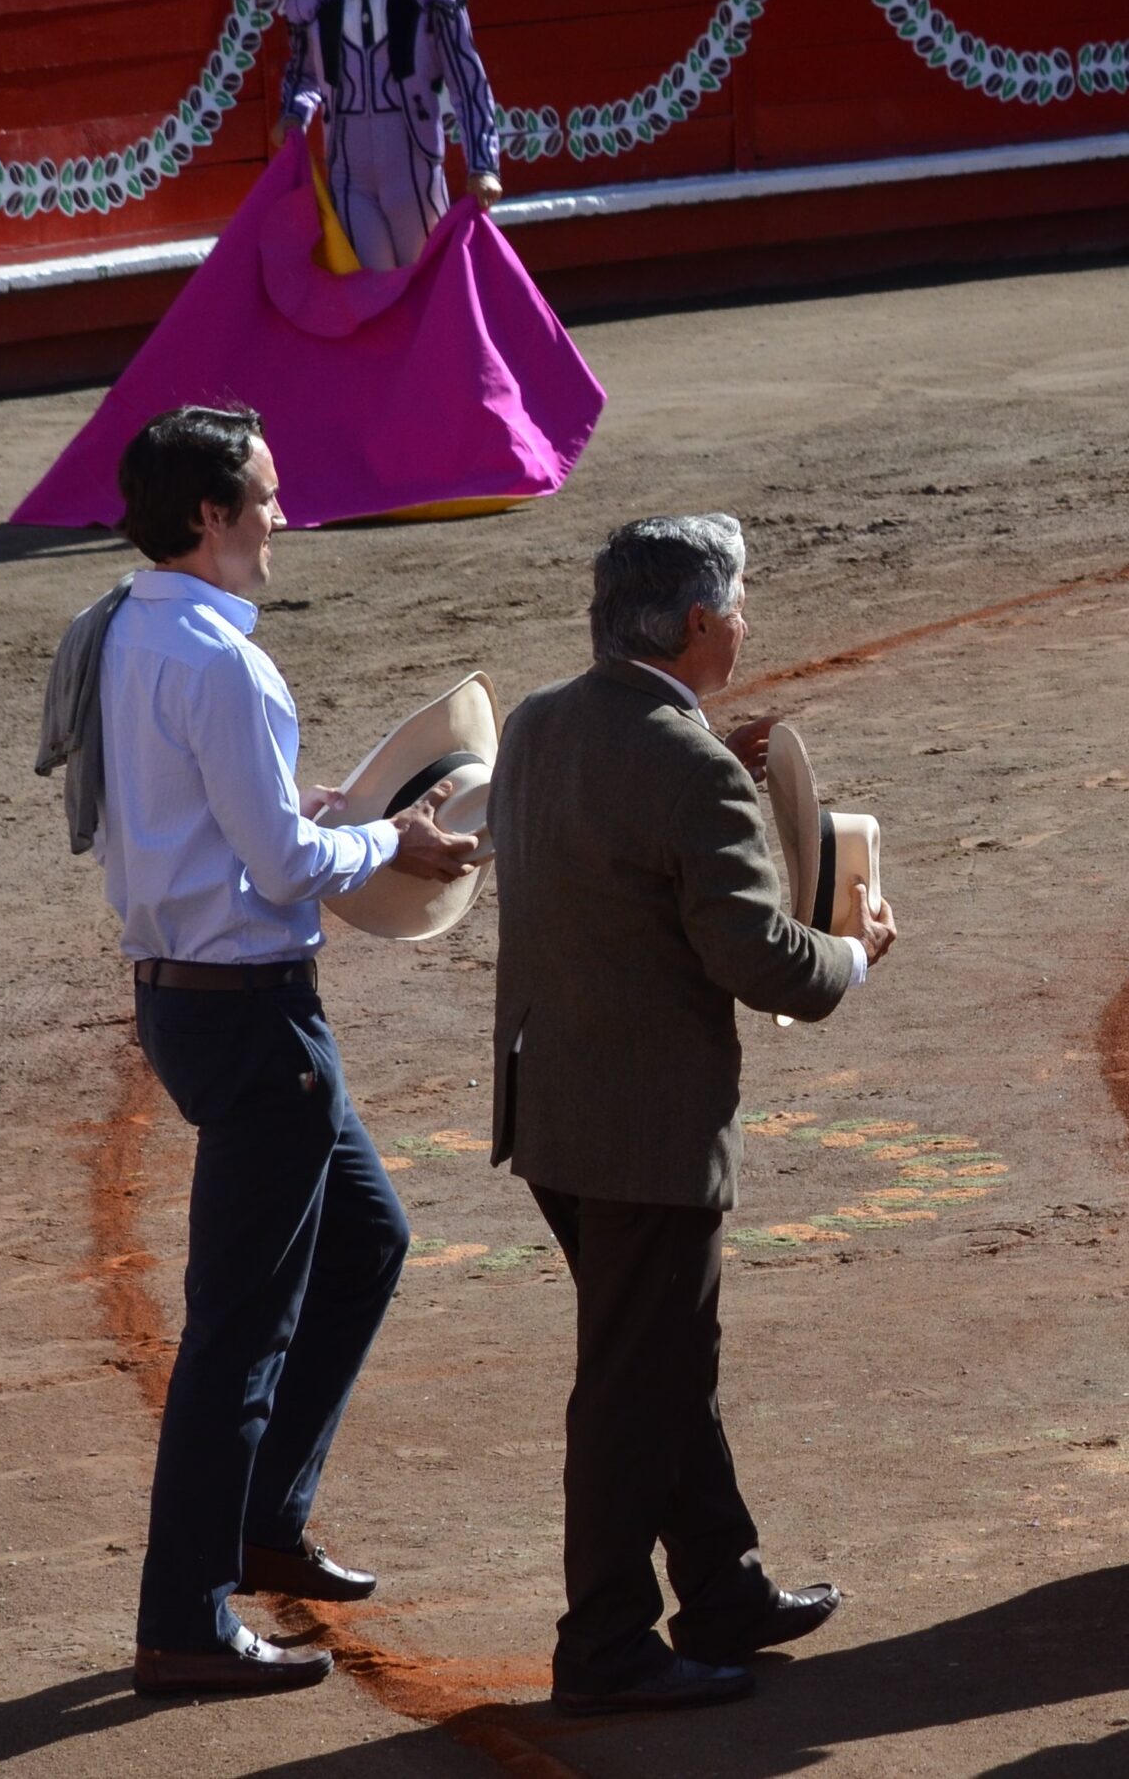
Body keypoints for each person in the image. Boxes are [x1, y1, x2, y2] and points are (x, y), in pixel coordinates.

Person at [79, 404, 480, 1696]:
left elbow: (204, 814)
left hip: (187, 998)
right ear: (210, 514)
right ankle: (183, 1616)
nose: (282, 515)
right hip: (255, 1016)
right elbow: (288, 865)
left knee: (368, 1237)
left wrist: (317, 817)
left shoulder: (128, 628)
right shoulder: (227, 663)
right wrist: (392, 843)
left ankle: (265, 1516)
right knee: (237, 1329)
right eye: (264, 495)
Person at [488, 514, 900, 1715]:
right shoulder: (688, 766)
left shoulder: (539, 721)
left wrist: (717, 754)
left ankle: (722, 1586)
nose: (750, 622)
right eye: (742, 606)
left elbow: (617, 843)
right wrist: (853, 953)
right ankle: (605, 1641)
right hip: (648, 1131)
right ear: (704, 624)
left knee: (661, 1359)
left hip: (553, 1111)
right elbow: (764, 964)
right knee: (635, 1380)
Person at [276, 0, 502, 269]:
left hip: (414, 170)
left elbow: (468, 84)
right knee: (370, 288)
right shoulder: (316, 3)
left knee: (428, 280)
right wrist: (294, 114)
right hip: (348, 175)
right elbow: (303, 75)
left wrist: (483, 164)